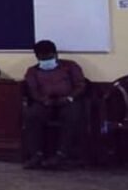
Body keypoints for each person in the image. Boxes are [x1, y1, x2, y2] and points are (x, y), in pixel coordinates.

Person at [22, 39, 87, 170]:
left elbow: (80, 85)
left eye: (49, 57)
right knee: (32, 115)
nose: (46, 61)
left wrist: (69, 98)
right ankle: (36, 155)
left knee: (72, 115)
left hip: (67, 100)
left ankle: (62, 155)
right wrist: (42, 100)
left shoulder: (70, 66)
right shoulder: (32, 71)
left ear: (55, 54)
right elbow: (33, 90)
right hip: (45, 102)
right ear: (37, 57)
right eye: (43, 58)